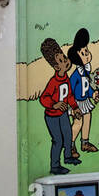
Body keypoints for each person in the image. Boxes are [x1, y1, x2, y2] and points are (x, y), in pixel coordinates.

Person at [39, 38, 77, 174]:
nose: (66, 61)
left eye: (65, 58)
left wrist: (75, 107)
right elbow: (43, 98)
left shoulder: (66, 78)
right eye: (61, 61)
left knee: (68, 135)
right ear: (56, 67)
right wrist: (54, 105)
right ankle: (55, 166)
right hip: (52, 117)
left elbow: (70, 95)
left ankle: (68, 157)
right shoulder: (53, 82)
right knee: (58, 140)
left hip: (64, 114)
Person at [67, 27, 99, 154]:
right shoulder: (76, 75)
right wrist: (73, 106)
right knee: (78, 123)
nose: (87, 54)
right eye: (83, 53)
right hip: (76, 103)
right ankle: (70, 145)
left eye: (87, 51)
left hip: (85, 101)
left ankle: (85, 143)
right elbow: (70, 91)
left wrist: (93, 94)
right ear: (77, 57)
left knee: (87, 118)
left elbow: (86, 88)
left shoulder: (86, 72)